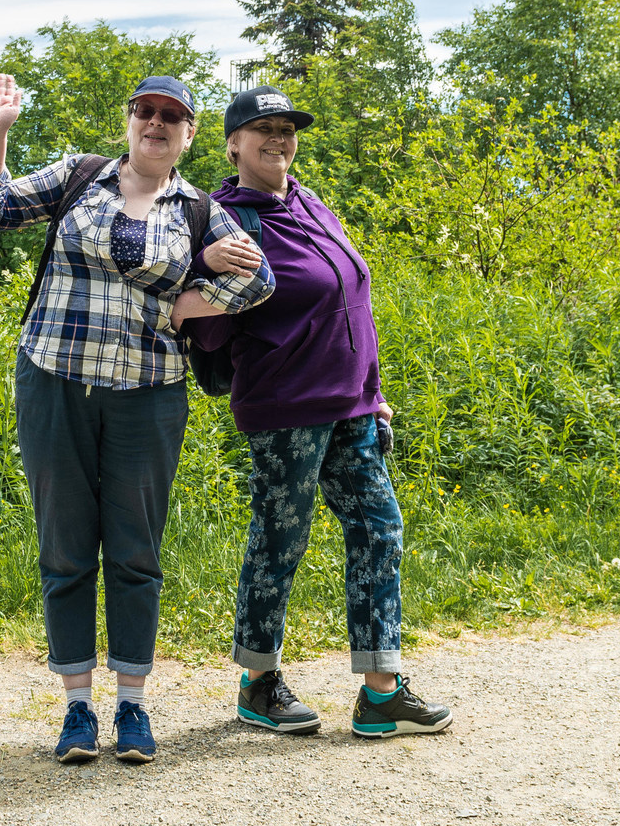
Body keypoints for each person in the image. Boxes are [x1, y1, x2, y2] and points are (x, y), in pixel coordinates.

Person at [0, 72, 273, 766]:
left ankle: (132, 706)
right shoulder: (81, 176)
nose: (157, 123)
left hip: (148, 394)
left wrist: (187, 298)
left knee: (135, 549)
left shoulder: (197, 209)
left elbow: (259, 280)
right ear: (129, 120)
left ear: (190, 135)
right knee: (66, 545)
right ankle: (77, 710)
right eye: (146, 111)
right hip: (54, 382)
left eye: (173, 116)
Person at [177, 87, 455, 740]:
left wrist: (375, 389)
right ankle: (258, 682)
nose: (277, 137)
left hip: (352, 403)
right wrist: (198, 275)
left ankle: (380, 690)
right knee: (280, 540)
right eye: (261, 128)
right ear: (233, 144)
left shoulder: (309, 201)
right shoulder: (224, 218)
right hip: (285, 407)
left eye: (286, 128)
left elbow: (355, 294)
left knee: (380, 528)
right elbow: (201, 312)